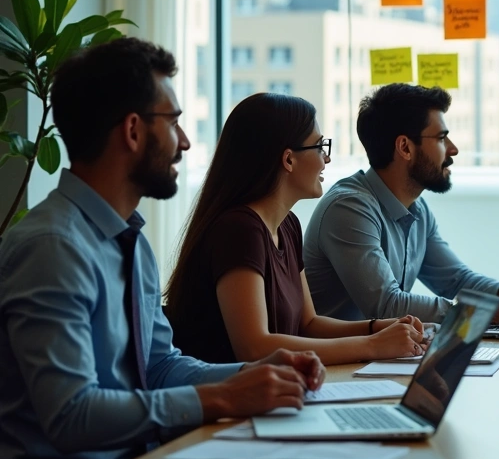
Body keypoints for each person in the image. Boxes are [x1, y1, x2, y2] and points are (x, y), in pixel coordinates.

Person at [0, 39, 324, 459]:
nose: (186, 142)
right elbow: (71, 416)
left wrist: (257, 373)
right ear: (133, 131)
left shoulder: (130, 241)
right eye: (173, 122)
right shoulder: (52, 248)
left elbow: (160, 366)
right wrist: (223, 398)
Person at [164, 94, 429, 366]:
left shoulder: (287, 225)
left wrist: (377, 328)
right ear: (288, 160)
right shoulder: (240, 230)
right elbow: (254, 348)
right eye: (319, 146)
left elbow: (309, 324)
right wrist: (372, 346)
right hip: (231, 403)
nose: (326, 158)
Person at [304, 83, 499, 325]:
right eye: (442, 138)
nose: (453, 149)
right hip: (335, 370)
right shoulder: (349, 209)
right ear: (405, 148)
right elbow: (386, 305)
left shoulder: (416, 210)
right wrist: (495, 310)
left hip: (380, 359)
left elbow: (456, 280)